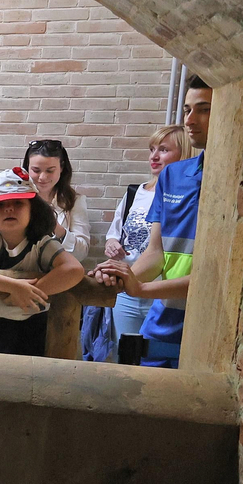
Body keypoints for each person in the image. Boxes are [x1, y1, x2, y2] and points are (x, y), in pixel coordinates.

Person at [94, 77, 212, 368]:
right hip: (164, 318)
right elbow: (156, 253)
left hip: (208, 320)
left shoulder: (239, 176)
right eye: (187, 110)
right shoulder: (173, 177)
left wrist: (143, 289)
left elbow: (215, 275)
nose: (190, 119)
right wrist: (124, 275)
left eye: (204, 109)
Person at [0, 168, 87, 356]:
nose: (9, 209)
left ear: (33, 209)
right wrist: (14, 288)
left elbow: (73, 269)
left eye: (18, 203)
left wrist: (30, 294)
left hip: (36, 327)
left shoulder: (42, 243)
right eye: (0, 205)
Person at [92, 124, 196, 353]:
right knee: (127, 353)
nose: (154, 156)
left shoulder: (189, 191)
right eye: (152, 149)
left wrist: (136, 284)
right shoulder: (136, 192)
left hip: (164, 289)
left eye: (164, 150)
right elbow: (122, 235)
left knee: (157, 359)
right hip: (132, 284)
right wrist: (119, 273)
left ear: (185, 153)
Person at [23, 139, 91, 260]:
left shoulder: (74, 201)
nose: (42, 177)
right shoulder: (16, 197)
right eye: (36, 170)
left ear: (62, 167)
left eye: (50, 170)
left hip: (58, 272)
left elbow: (81, 253)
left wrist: (55, 227)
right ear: (27, 167)